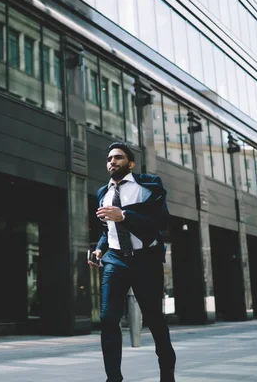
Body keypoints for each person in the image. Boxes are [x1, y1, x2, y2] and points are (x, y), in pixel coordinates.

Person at [88, 142, 176, 382]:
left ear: (131, 163)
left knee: (154, 319)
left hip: (145, 260)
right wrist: (99, 249)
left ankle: (167, 373)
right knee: (107, 319)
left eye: (118, 157)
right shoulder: (102, 193)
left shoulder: (148, 185)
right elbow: (109, 230)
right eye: (109, 159)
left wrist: (124, 215)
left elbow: (161, 222)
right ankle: (113, 378)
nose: (112, 162)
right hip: (115, 259)